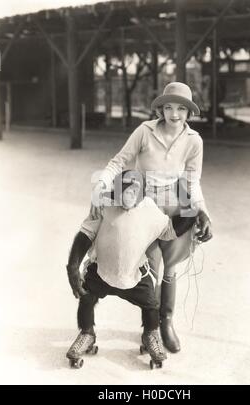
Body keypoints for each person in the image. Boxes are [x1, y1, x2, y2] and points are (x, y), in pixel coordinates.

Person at [92, 82, 212, 353]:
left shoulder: (194, 140)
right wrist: (100, 187)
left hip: (178, 202)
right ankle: (151, 328)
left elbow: (192, 182)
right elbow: (118, 162)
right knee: (150, 266)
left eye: (181, 108)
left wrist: (203, 211)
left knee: (170, 267)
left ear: (189, 112)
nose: (174, 114)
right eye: (168, 107)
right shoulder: (144, 131)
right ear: (160, 109)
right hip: (144, 202)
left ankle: (166, 321)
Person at [66, 170, 200, 366]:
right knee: (86, 296)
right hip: (101, 270)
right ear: (116, 190)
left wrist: (191, 208)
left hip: (135, 274)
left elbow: (171, 230)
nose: (130, 194)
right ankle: (87, 332)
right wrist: (73, 266)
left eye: (135, 189)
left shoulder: (149, 209)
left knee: (151, 305)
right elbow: (85, 234)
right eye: (126, 188)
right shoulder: (105, 205)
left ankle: (150, 334)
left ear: (143, 193)